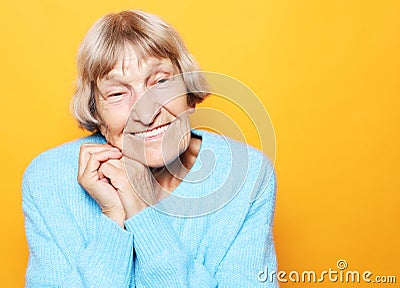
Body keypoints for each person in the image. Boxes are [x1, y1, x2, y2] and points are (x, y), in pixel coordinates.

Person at [22, 10, 278, 287]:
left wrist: (143, 214)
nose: (145, 112)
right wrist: (112, 219)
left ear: (188, 93)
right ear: (97, 115)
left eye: (160, 82)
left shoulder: (247, 175)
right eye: (118, 93)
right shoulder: (48, 181)